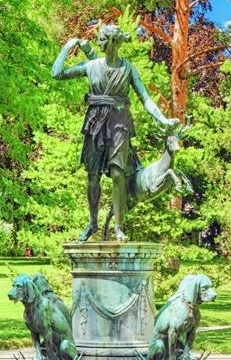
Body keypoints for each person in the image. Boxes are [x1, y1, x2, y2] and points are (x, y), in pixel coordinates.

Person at [51, 24, 179, 241]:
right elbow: (57, 73)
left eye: (101, 39)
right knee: (93, 178)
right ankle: (92, 224)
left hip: (120, 122)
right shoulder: (91, 65)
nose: (98, 43)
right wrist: (67, 47)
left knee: (118, 174)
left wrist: (163, 119)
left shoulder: (127, 68)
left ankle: (119, 227)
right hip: (95, 123)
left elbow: (145, 98)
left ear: (111, 42)